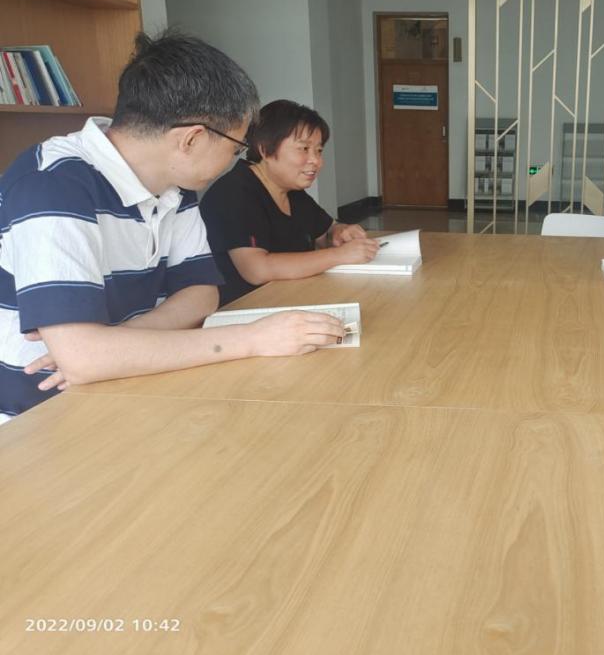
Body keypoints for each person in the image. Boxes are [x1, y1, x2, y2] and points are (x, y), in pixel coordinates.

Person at [0, 32, 346, 424]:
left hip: (131, 383)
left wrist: (113, 346)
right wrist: (254, 337)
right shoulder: (53, 185)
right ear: (191, 139)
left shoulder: (174, 186)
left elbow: (201, 295)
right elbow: (83, 361)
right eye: (235, 148)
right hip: (40, 417)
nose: (235, 160)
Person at [200, 100, 378, 305]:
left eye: (319, 150)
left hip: (290, 297)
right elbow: (257, 270)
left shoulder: (291, 191)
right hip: (243, 309)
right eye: (304, 149)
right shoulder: (235, 193)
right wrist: (339, 255)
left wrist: (340, 231)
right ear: (265, 149)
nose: (316, 161)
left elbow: (324, 233)